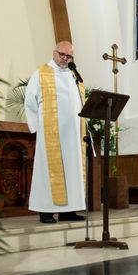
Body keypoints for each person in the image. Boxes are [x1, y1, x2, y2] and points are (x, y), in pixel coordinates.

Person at [25, 41, 86, 224]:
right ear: (54, 53)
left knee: (72, 170)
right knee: (47, 172)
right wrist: (37, 128)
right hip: (51, 134)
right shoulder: (41, 73)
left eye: (69, 56)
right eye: (62, 55)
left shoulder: (74, 76)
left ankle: (69, 211)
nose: (65, 59)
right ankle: (46, 211)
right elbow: (30, 101)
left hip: (73, 135)